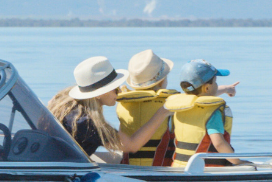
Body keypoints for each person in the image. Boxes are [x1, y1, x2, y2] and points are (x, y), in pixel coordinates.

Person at [49, 56, 177, 163]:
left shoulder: (64, 106)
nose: (120, 91)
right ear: (99, 94)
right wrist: (162, 112)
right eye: (115, 88)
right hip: (61, 172)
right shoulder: (89, 124)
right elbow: (131, 145)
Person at [165, 59, 240, 166]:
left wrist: (227, 89)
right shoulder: (212, 112)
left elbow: (202, 95)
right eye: (215, 82)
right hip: (203, 169)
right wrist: (238, 162)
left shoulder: (180, 106)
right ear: (208, 87)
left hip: (179, 166)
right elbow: (219, 143)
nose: (217, 85)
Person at [116, 49, 177, 165]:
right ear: (161, 82)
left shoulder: (123, 103)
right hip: (161, 168)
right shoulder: (170, 104)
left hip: (128, 166)